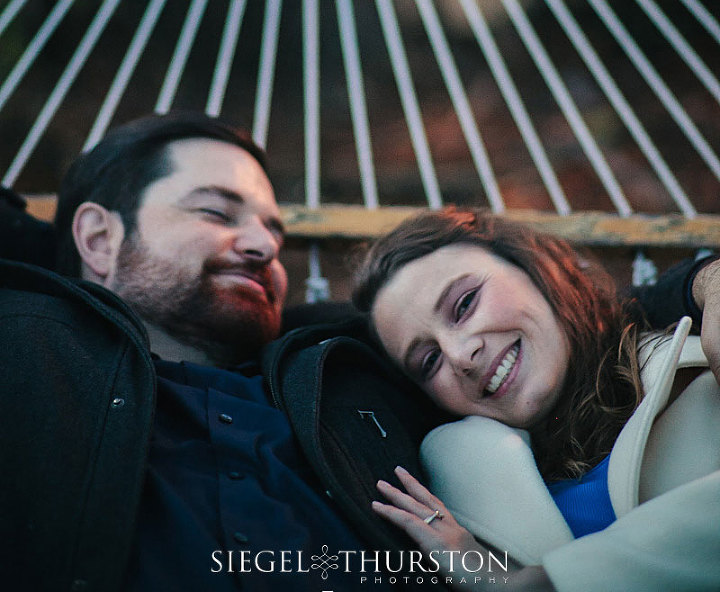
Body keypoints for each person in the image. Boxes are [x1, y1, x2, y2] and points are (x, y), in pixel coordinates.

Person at [1, 120, 718, 592]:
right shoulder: (30, 346)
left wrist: (705, 279)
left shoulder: (332, 364)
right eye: (216, 213)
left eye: (273, 233)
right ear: (96, 239)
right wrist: (63, 252)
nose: (261, 244)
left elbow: (566, 319)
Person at [352, 207, 720, 591]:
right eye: (429, 361)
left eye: (464, 305)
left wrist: (525, 584)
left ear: (538, 270)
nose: (460, 356)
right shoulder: (464, 512)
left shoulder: (699, 369)